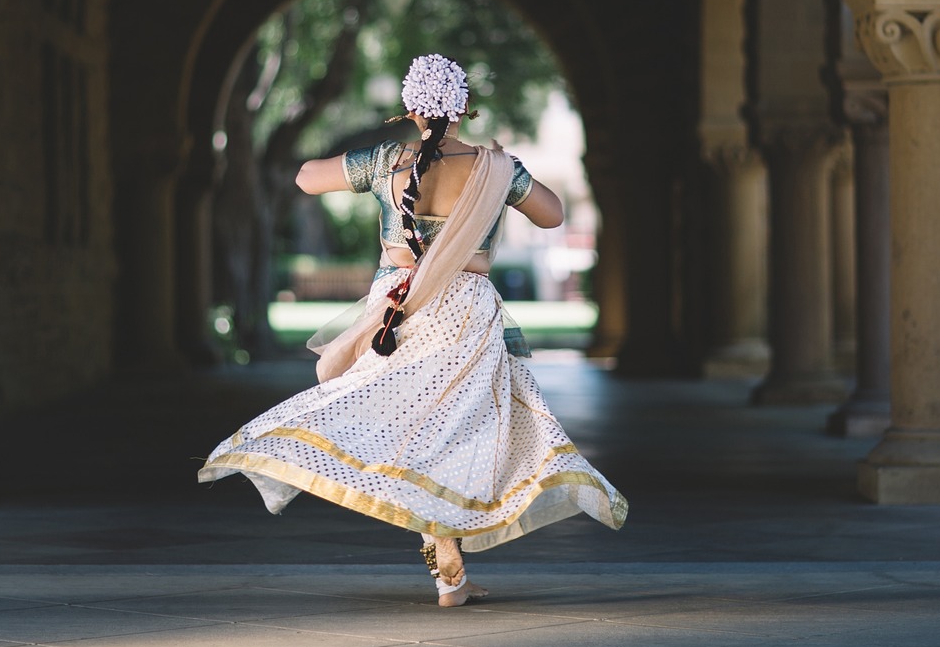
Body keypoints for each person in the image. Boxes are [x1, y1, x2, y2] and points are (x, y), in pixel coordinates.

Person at [198, 54, 627, 607]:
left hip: (395, 311)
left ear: (409, 109)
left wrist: (367, 162)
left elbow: (305, 178)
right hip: (466, 311)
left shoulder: (387, 162)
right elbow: (553, 215)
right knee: (454, 432)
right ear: (466, 107)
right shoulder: (495, 169)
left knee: (402, 425)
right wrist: (508, 176)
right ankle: (451, 571)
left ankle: (448, 570)